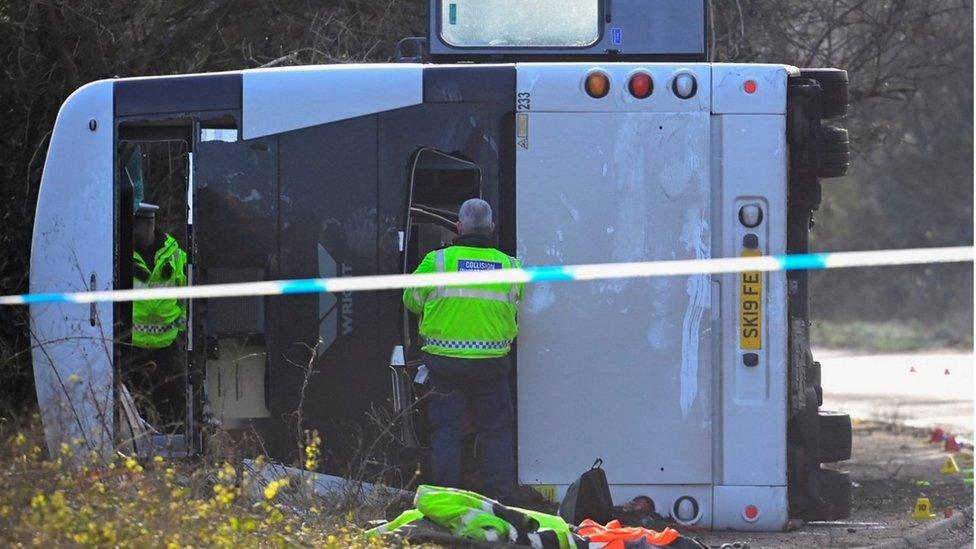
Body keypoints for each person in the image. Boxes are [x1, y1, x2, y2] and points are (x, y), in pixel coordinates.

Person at [403, 198, 524, 501]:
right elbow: (517, 298)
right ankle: (503, 500)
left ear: (458, 227)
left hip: (445, 365)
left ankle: (446, 500)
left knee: (446, 432)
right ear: (492, 227)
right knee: (496, 433)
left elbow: (411, 301)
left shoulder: (437, 261)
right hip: (492, 365)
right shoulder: (511, 266)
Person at [129, 202, 188, 431]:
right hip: (132, 347)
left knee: (174, 408)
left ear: (150, 224)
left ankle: (178, 454)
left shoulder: (175, 255)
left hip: (166, 348)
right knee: (136, 410)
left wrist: (181, 330)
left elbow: (186, 297)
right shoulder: (120, 255)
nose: (131, 230)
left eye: (136, 225)